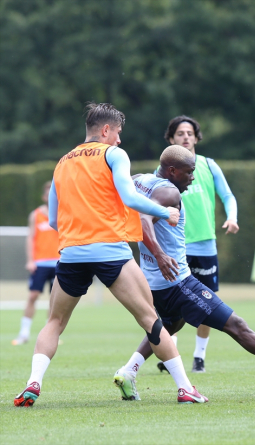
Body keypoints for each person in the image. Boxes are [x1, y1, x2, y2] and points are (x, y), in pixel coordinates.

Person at [14, 103, 207, 407]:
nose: (119, 139)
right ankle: (185, 388)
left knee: (54, 322)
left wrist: (78, 233)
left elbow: (53, 220)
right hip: (110, 251)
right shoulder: (114, 154)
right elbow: (129, 197)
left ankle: (33, 383)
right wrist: (164, 212)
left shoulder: (62, 162)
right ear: (106, 130)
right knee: (150, 319)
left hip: (72, 253)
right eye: (117, 132)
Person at [113, 145, 255, 401]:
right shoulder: (170, 192)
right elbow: (143, 221)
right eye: (189, 172)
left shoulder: (140, 180)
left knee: (169, 325)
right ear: (172, 171)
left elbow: (118, 193)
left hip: (154, 283)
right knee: (237, 326)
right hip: (177, 283)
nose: (192, 178)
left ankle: (129, 371)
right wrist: (161, 256)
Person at [158, 115, 238, 374]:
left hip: (204, 246)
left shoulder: (208, 165)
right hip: (174, 247)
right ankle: (171, 352)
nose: (185, 137)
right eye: (180, 133)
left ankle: (199, 357)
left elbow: (227, 195)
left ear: (196, 137)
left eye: (190, 133)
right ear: (171, 138)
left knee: (207, 300)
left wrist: (232, 217)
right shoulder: (164, 171)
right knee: (170, 303)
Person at [12, 181, 60, 345]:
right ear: (44, 197)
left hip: (59, 263)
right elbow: (30, 238)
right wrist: (30, 260)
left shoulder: (62, 213)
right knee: (33, 296)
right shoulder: (36, 215)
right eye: (48, 194)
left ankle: (51, 336)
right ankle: (24, 333)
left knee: (55, 301)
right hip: (40, 263)